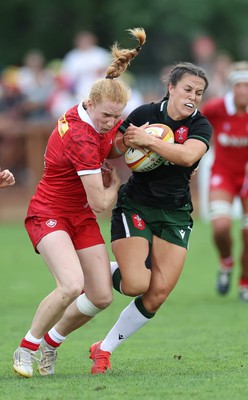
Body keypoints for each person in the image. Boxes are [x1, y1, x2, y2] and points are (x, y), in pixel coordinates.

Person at [34, 62, 212, 375]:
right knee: (135, 284)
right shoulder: (144, 114)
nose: (193, 96)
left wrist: (151, 143)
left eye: (199, 92)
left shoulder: (200, 126)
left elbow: (187, 156)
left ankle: (103, 348)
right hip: (137, 206)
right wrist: (123, 145)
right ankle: (99, 272)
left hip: (176, 213)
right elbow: (113, 146)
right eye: (187, 89)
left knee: (156, 294)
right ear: (170, 87)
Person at [12, 27, 146, 378]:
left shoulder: (93, 117)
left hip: (79, 217)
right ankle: (26, 347)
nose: (111, 123)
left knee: (101, 295)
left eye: (117, 117)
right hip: (49, 213)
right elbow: (101, 203)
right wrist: (116, 184)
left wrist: (128, 141)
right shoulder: (81, 137)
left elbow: (108, 145)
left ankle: (50, 344)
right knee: (71, 284)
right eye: (107, 117)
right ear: (89, 104)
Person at [200, 61, 248, 300]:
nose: (243, 91)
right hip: (224, 174)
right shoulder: (217, 108)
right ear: (232, 87)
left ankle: (244, 282)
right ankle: (226, 262)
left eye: (247, 86)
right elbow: (193, 122)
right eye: (239, 85)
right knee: (220, 227)